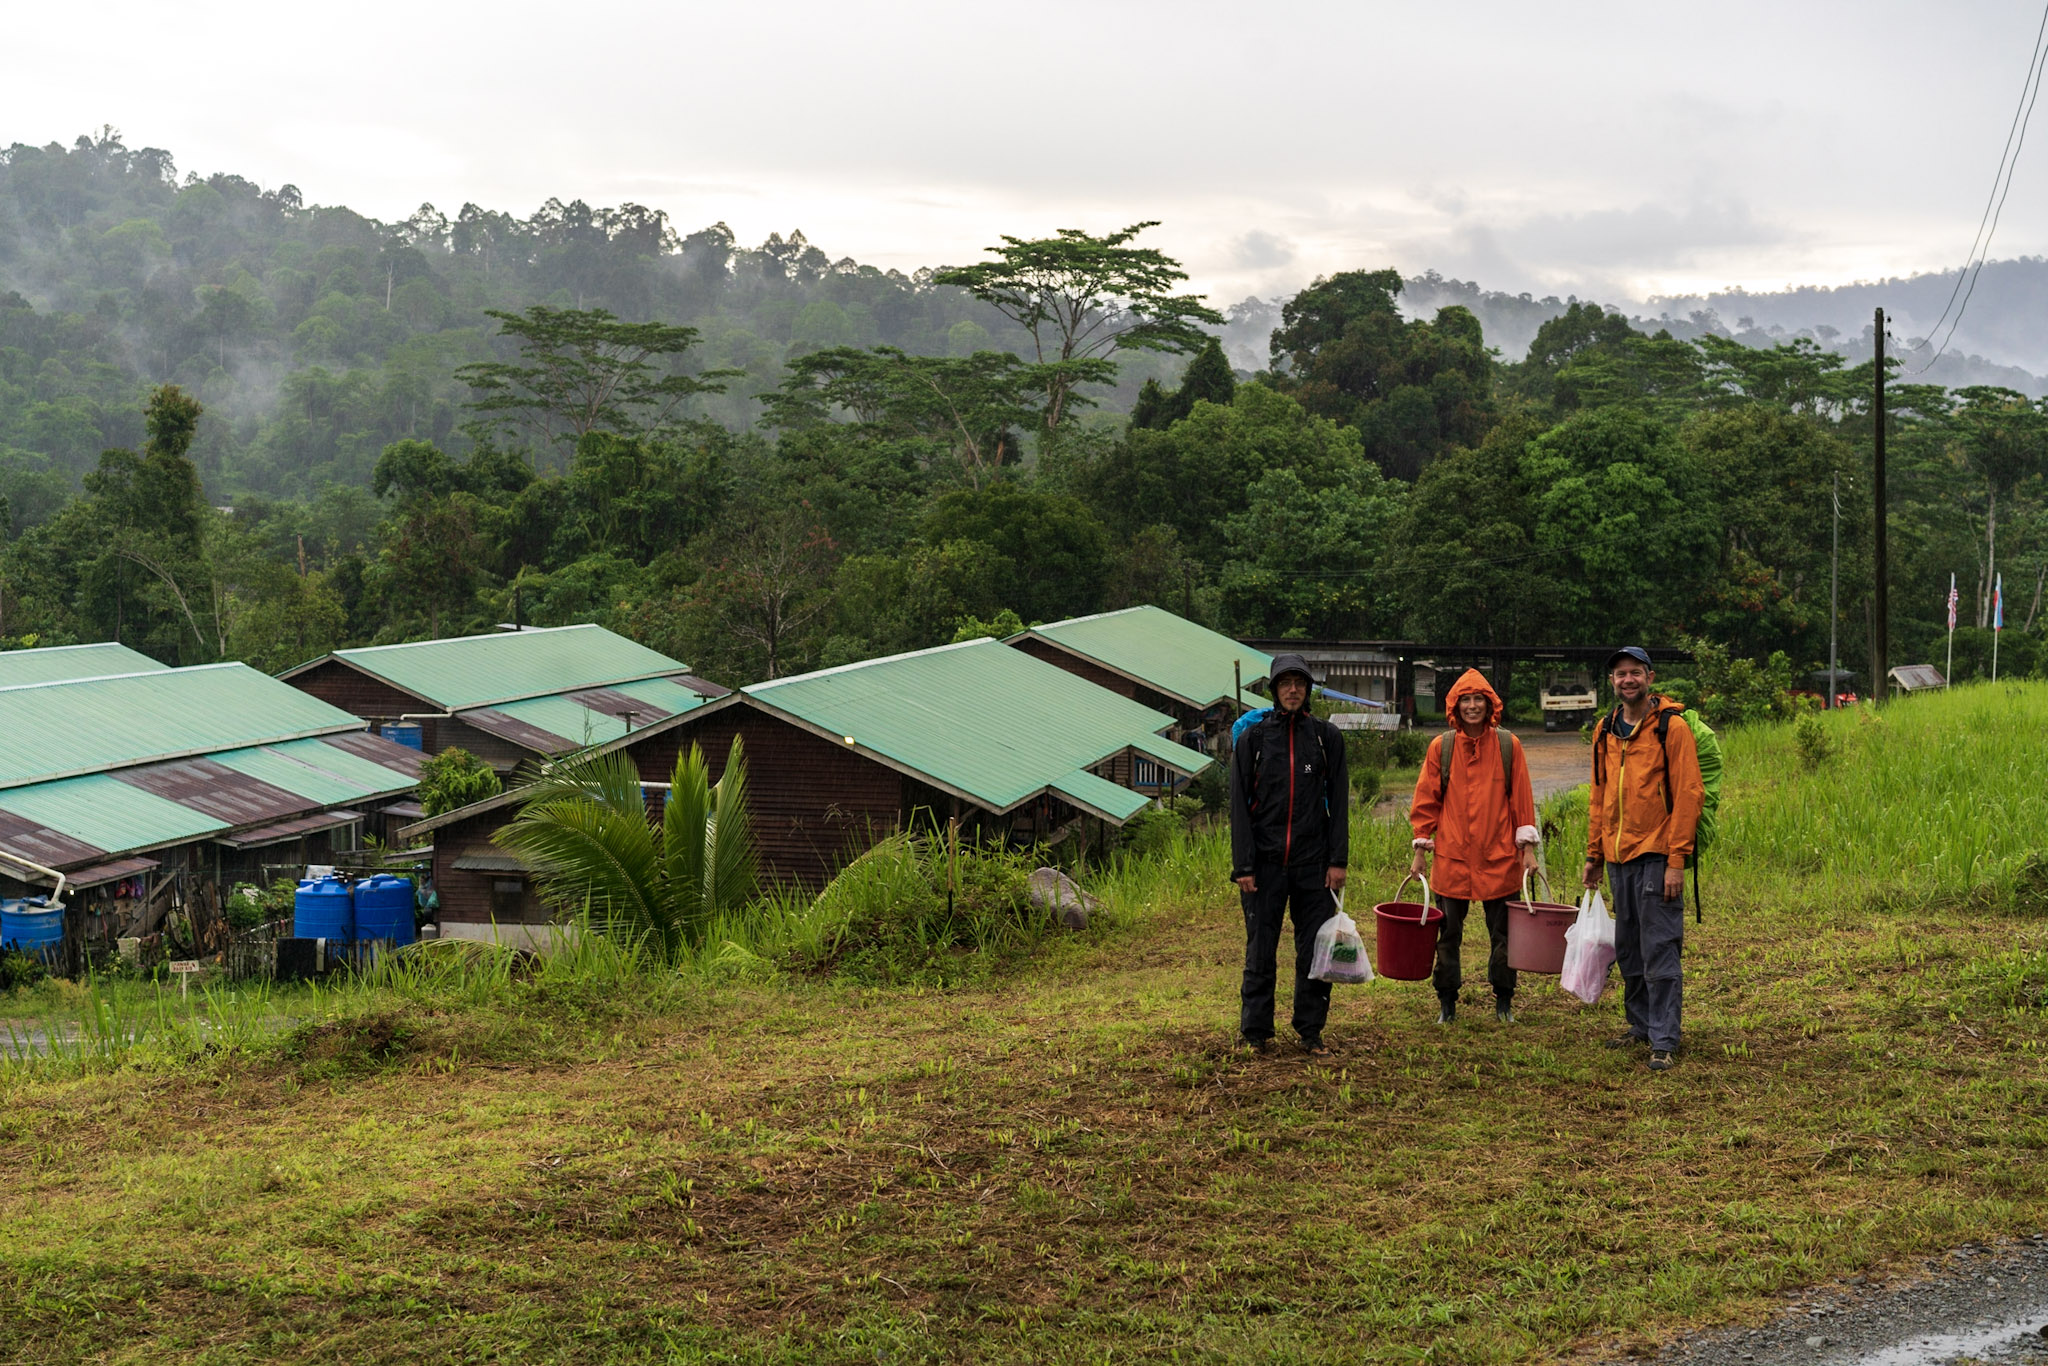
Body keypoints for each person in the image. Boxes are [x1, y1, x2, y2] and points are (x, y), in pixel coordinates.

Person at [1582, 646, 1704, 1073]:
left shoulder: (1672, 728)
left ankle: (1665, 1038)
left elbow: (1689, 796)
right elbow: (1599, 796)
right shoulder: (1605, 729)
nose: (1627, 680)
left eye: (1635, 672)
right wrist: (1594, 853)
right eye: (1620, 674)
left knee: (1659, 949)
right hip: (1618, 857)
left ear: (1650, 678)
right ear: (1612, 682)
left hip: (1657, 854)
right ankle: (1640, 1024)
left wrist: (1677, 861)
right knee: (1629, 947)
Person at [1228, 652, 1349, 1056]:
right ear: (1275, 691)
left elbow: (1340, 804)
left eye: (1299, 683)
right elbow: (1238, 808)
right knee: (1260, 949)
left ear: (1308, 689)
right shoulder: (1255, 739)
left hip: (1314, 864)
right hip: (1263, 866)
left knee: (1314, 950)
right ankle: (1255, 1033)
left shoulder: (1325, 738)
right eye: (1285, 683)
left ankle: (1310, 1031)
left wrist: (1338, 861)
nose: (1293, 689)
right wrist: (1243, 865)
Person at [1407, 669, 1539, 1025]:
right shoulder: (1442, 747)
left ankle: (1504, 999)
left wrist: (1527, 848)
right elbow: (1426, 801)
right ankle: (1447, 1001)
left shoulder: (1509, 746)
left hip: (1499, 858)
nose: (1472, 706)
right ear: (1455, 705)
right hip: (1451, 858)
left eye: (1478, 699)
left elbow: (1522, 802)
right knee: (1447, 934)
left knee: (1503, 935)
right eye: (1465, 699)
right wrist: (1421, 849)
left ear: (1490, 704)